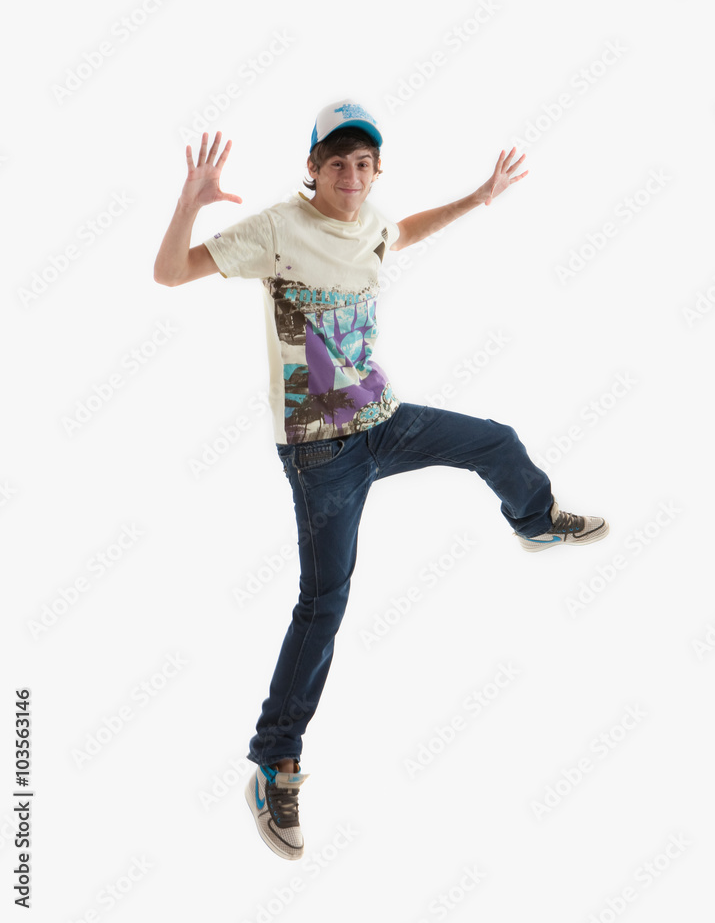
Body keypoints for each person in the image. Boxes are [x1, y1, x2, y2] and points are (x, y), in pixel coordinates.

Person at [153, 98, 609, 861]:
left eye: (363, 163)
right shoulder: (275, 229)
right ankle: (275, 762)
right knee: (324, 604)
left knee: (496, 442)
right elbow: (170, 273)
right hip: (320, 452)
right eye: (337, 162)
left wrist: (475, 199)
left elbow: (400, 233)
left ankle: (531, 518)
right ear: (312, 168)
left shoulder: (369, 219)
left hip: (383, 421)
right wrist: (186, 204)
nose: (351, 175)